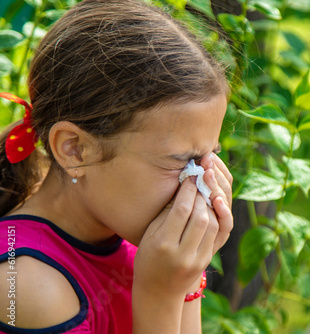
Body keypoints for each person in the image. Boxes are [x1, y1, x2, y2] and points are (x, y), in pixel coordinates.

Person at [0, 0, 233, 332]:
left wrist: (187, 275)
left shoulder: (131, 236)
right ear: (75, 150)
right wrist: (160, 295)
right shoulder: (28, 284)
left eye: (208, 158)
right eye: (181, 161)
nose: (200, 185)